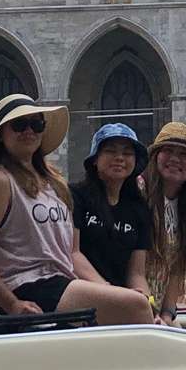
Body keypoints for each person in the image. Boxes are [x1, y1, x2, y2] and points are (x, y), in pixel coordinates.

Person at [0, 93, 151, 325]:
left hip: (61, 282)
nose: (29, 131)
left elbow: (70, 250)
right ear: (1, 135)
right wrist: (11, 303)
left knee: (133, 312)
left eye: (37, 124)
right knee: (136, 307)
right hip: (29, 285)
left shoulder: (52, 184)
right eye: (19, 124)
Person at [69, 122, 152, 295]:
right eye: (110, 151)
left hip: (121, 298)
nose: (119, 158)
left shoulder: (139, 208)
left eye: (127, 153)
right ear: (95, 159)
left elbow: (136, 273)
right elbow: (73, 254)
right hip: (82, 293)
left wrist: (144, 298)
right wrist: (110, 292)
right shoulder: (76, 196)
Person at [144, 121, 186, 323]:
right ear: (156, 156)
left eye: (184, 154)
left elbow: (177, 270)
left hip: (159, 313)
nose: (175, 159)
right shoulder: (139, 193)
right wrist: (149, 311)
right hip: (134, 304)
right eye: (168, 150)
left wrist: (166, 315)